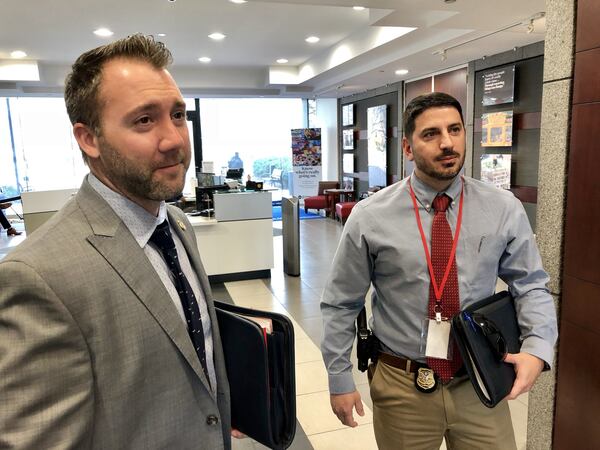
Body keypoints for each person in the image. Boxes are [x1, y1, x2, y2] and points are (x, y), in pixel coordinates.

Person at [0, 35, 233, 448]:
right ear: (88, 139)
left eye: (177, 115)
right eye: (144, 120)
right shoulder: (37, 277)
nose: (175, 139)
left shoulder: (175, 223)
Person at [320, 92, 557, 449]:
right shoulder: (370, 216)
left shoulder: (502, 208)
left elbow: (531, 285)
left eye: (455, 130)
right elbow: (341, 302)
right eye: (431, 134)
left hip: (480, 379)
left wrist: (538, 349)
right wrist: (339, 378)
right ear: (408, 147)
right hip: (403, 384)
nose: (447, 143)